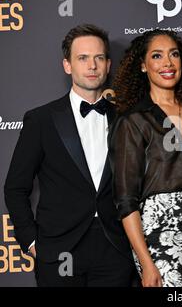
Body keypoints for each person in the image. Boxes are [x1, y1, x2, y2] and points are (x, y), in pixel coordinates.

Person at [4, 24, 135, 286]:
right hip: (58, 249)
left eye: (99, 58)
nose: (92, 66)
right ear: (67, 65)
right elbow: (15, 188)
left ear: (109, 65)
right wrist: (31, 241)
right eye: (83, 58)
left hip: (115, 247)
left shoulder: (126, 118)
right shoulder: (41, 120)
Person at [109, 29, 182, 287]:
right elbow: (126, 201)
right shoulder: (133, 121)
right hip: (158, 241)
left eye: (174, 54)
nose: (168, 63)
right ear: (143, 66)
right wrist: (146, 262)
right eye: (157, 56)